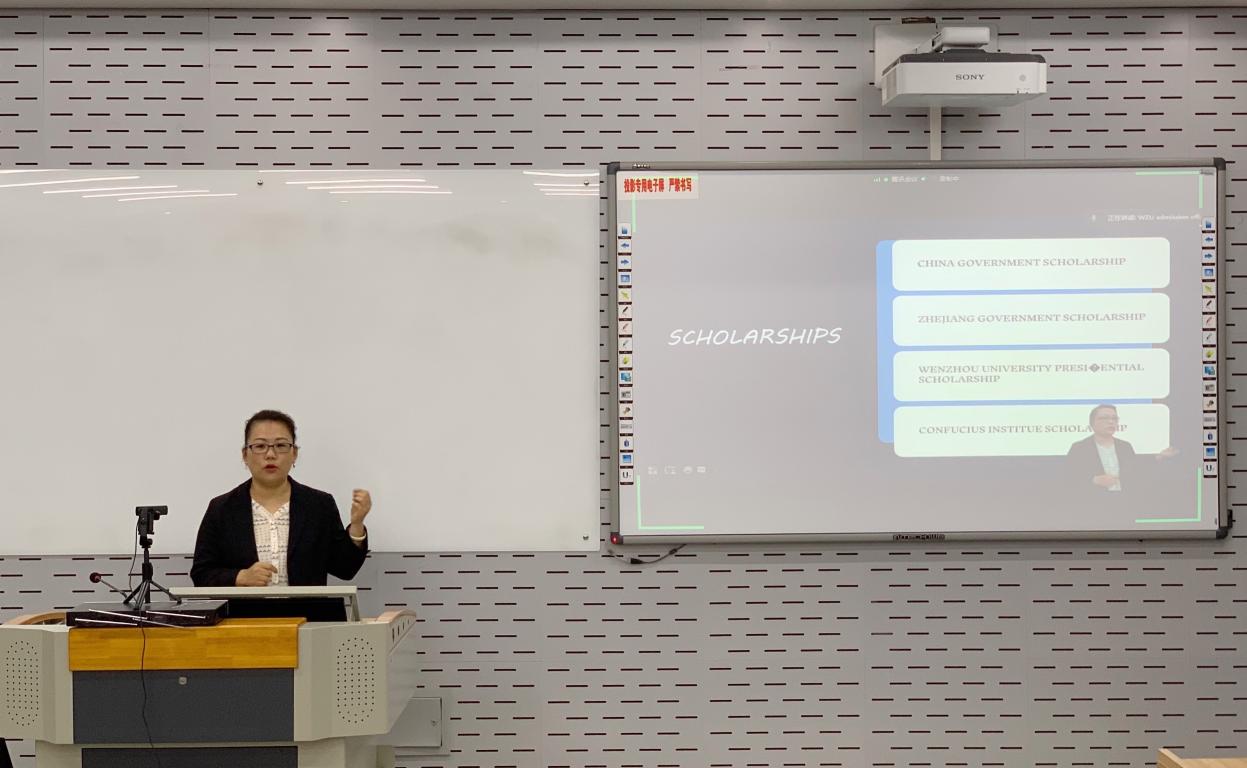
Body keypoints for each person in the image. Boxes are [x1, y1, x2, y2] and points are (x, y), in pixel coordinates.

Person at [191, 409, 372, 587]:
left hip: (308, 608)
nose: (270, 455)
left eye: (281, 446)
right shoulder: (222, 508)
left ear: (294, 454)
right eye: (260, 446)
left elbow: (345, 569)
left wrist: (357, 525)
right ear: (245, 455)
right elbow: (201, 573)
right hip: (244, 608)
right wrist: (240, 577)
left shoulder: (319, 505)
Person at [1066, 403, 1175, 496]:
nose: (1111, 422)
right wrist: (1094, 480)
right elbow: (1069, 478)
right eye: (1104, 418)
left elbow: (1136, 469)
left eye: (1114, 418)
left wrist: (1159, 457)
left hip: (1124, 501)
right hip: (1093, 502)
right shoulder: (1079, 448)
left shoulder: (1125, 446)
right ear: (1092, 423)